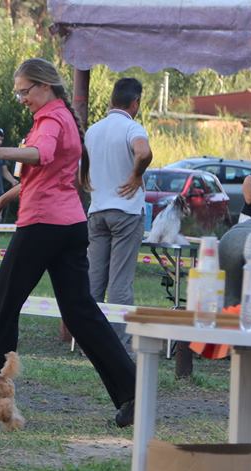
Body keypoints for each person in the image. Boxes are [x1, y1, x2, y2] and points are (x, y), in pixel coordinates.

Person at [0, 58, 136, 427]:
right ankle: (132, 391)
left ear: (45, 85)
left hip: (42, 227)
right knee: (81, 313)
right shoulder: (61, 117)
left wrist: (0, 152)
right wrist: (4, 199)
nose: (21, 98)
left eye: (25, 91)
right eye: (18, 93)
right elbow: (46, 175)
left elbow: (41, 155)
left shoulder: (50, 120)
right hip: (70, 225)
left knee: (4, 306)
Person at [84, 77, 153, 353]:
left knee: (94, 280)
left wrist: (86, 180)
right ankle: (118, 347)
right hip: (126, 213)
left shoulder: (93, 130)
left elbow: (81, 166)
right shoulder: (132, 127)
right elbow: (143, 152)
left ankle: (89, 341)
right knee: (120, 284)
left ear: (112, 99)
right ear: (135, 102)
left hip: (97, 211)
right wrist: (136, 174)